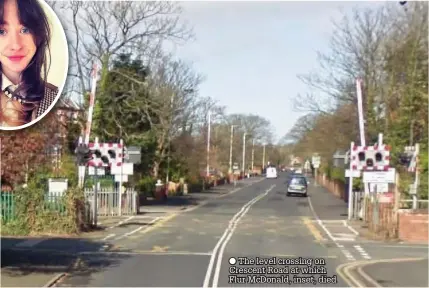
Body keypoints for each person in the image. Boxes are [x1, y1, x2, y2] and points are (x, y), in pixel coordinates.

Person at [0, 0, 58, 128]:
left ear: (38, 36)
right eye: (1, 32)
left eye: (25, 30)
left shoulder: (52, 97)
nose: (15, 45)